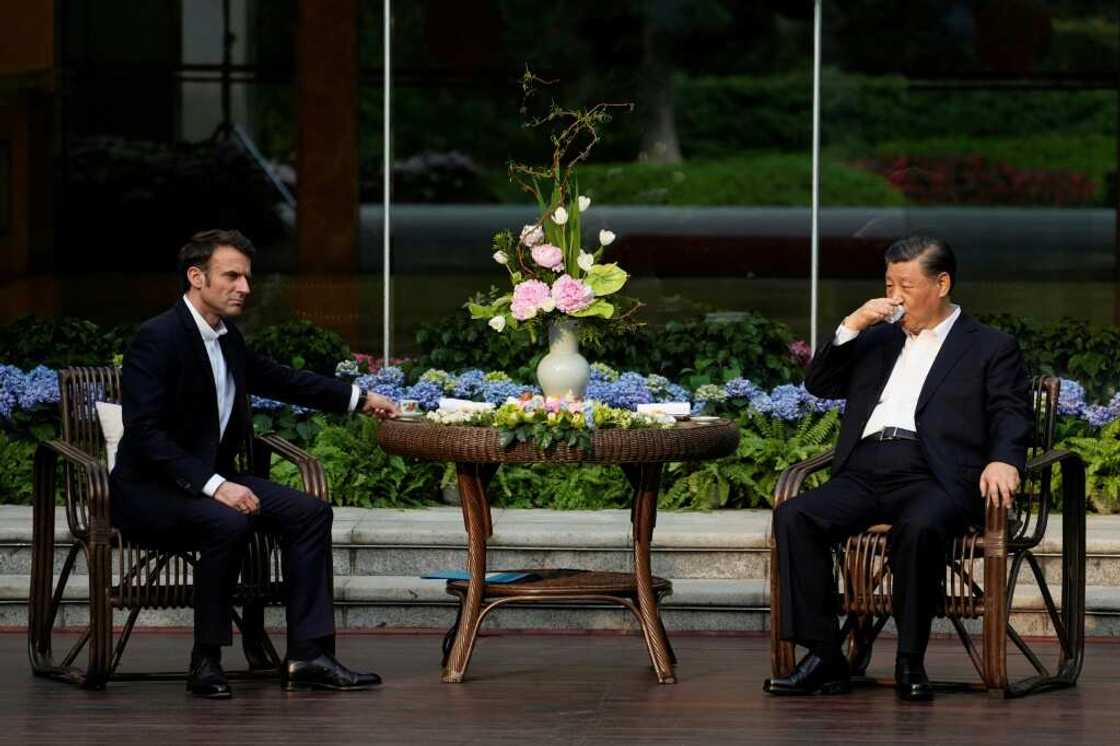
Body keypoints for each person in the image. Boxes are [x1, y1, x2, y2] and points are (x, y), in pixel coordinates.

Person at [110, 229, 399, 699]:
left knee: (311, 514)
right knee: (227, 521)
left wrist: (359, 398)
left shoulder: (227, 339)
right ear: (196, 277)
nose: (244, 287)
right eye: (232, 276)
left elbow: (281, 379)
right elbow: (145, 434)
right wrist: (214, 485)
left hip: (207, 482)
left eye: (247, 277)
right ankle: (206, 659)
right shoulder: (157, 338)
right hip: (151, 491)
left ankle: (309, 655)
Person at [764, 235, 1031, 702]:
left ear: (941, 283)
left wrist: (1005, 458)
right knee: (794, 515)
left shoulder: (989, 346)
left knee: (919, 527)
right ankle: (827, 656)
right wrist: (851, 326)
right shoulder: (879, 337)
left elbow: (1010, 411)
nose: (894, 296)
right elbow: (820, 385)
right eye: (889, 284)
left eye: (905, 285)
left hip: (935, 475)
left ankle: (910, 659)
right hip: (865, 470)